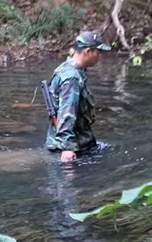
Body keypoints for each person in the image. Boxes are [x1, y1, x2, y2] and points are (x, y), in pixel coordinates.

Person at [45, 30, 111, 161]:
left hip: (76, 144)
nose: (99, 56)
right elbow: (66, 113)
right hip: (70, 150)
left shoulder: (68, 69)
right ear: (87, 52)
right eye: (98, 52)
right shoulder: (72, 78)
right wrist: (68, 148)